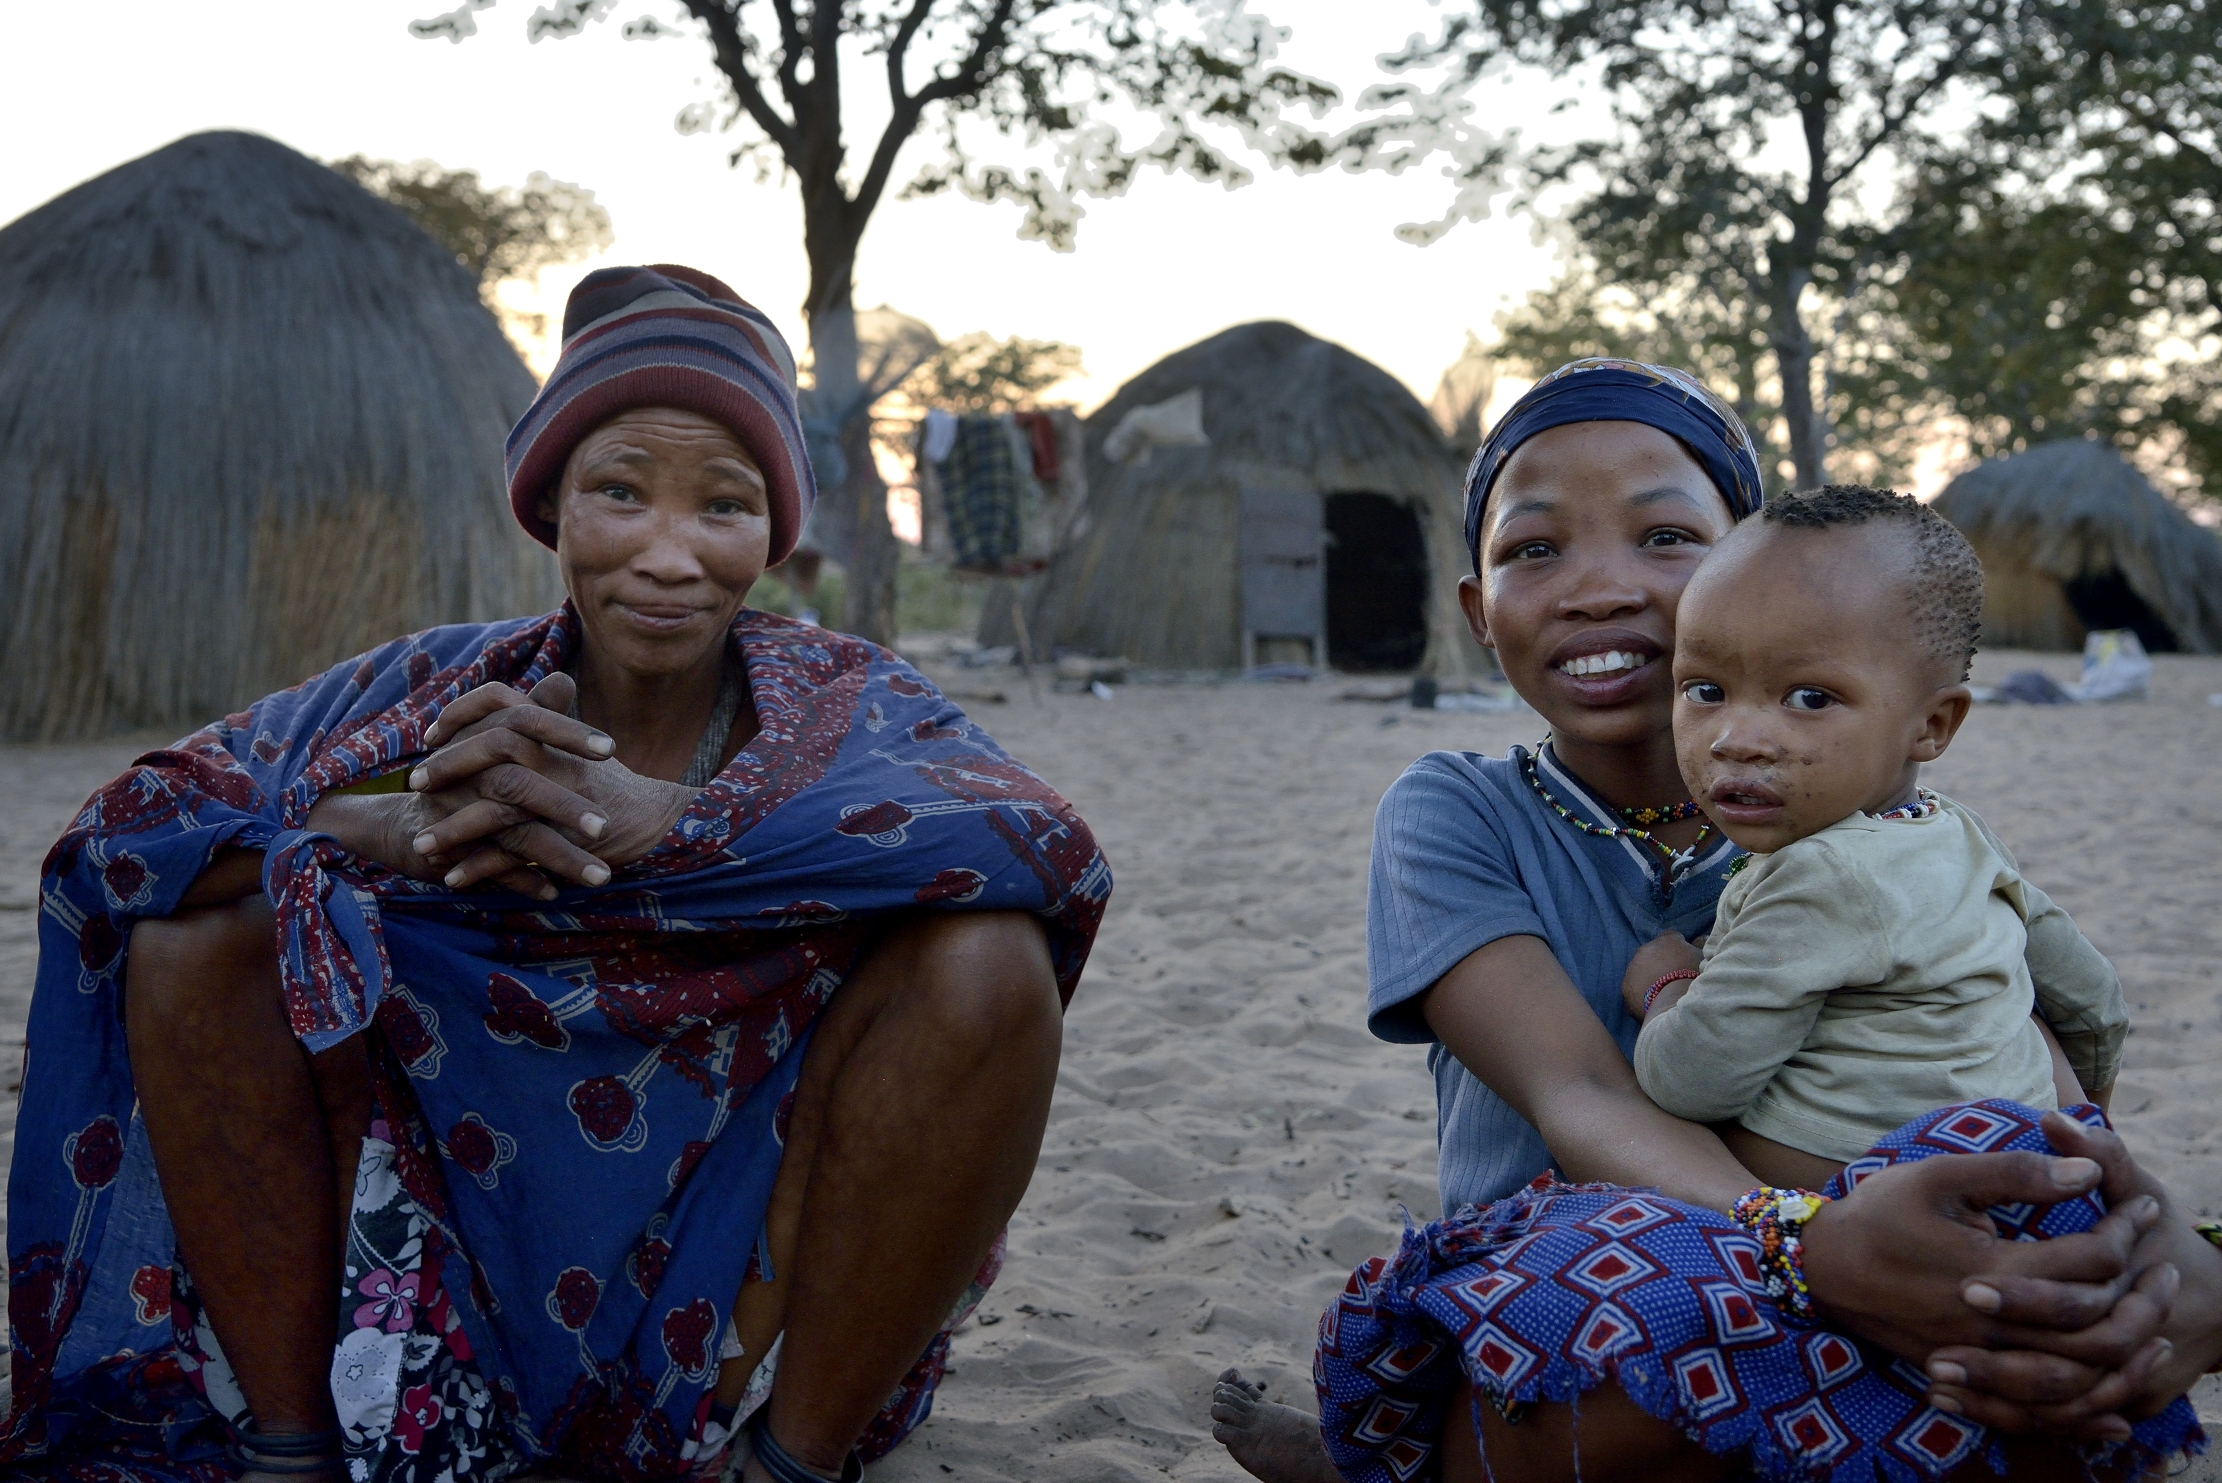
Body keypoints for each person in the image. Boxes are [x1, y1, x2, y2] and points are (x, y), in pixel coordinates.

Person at [2, 265, 1111, 1483]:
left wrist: (680, 824)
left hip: (741, 1267)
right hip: (428, 1254)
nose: (669, 555)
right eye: (620, 492)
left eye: (723, 506)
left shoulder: (841, 702)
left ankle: (790, 1459)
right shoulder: (430, 690)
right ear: (553, 507)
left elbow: (1042, 846)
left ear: (772, 533)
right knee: (201, 934)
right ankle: (294, 1445)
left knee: (989, 960)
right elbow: (124, 836)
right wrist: (377, 829)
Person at [1210, 359, 2219, 1483]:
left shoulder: (1864, 827)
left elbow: (2028, 1061)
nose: (1599, 588)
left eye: (1665, 537)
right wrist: (1811, 1243)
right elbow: (1584, 1095)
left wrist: (2177, 1255)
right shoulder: (1458, 813)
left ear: (1757, 569)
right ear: (1477, 612)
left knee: (2050, 1356)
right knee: (1650, 1370)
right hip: (1588, 1297)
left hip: (1893, 1263)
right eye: (1534, 549)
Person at [1625, 484, 2127, 1193]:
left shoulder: (1820, 875)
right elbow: (2094, 998)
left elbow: (1694, 1081)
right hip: (2024, 1166)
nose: (1736, 739)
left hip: (1875, 1204)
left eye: (1809, 698)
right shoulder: (1963, 837)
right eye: (1704, 690)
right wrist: (2087, 1118)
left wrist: (1667, 986)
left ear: (1933, 725)